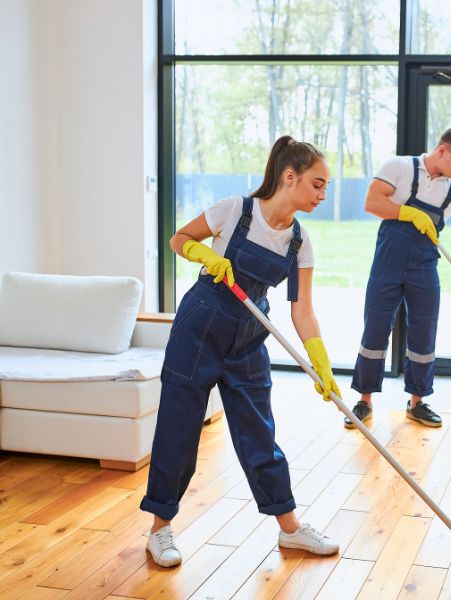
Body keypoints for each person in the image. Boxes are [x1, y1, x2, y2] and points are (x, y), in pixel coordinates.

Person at [141, 136, 342, 567]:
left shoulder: (299, 242)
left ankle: (289, 530)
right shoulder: (236, 210)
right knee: (179, 427)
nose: (322, 195)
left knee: (259, 435)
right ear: (290, 177)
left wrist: (320, 361)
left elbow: (302, 309)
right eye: (317, 184)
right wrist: (201, 253)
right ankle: (159, 530)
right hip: (200, 326)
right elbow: (179, 239)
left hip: (250, 335)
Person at [345, 128, 451, 429]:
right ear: (442, 150)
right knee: (376, 329)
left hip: (424, 267)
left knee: (424, 331)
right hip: (387, 263)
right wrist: (407, 212)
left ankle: (417, 402)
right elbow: (372, 203)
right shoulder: (399, 167)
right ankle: (363, 400)